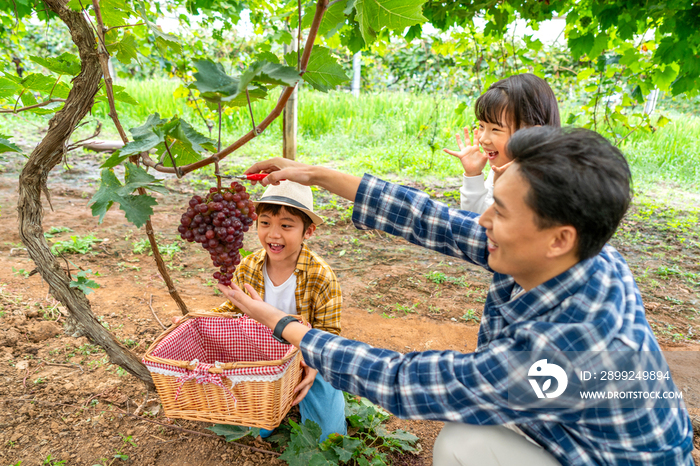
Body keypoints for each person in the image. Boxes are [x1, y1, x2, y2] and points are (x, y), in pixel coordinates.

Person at [218, 127, 694, 465]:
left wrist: (280, 324)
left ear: (558, 237)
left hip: (610, 457)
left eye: (499, 212)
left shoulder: (565, 349)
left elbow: (407, 383)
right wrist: (315, 174)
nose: (482, 221)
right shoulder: (581, 256)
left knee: (460, 445)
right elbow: (431, 219)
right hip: (579, 430)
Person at [209, 180, 346, 442]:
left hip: (307, 358)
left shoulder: (321, 276)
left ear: (309, 231)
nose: (273, 234)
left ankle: (318, 394)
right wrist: (195, 322)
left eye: (286, 225)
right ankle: (269, 402)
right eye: (265, 223)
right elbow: (230, 311)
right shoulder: (248, 266)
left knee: (329, 437)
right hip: (261, 357)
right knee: (253, 428)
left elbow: (329, 334)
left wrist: (314, 367)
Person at [444, 73, 560, 213]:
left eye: (495, 129)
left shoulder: (542, 186)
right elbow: (476, 221)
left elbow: (493, 226)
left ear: (533, 135)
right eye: (481, 126)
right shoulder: (503, 168)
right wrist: (473, 175)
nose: (483, 139)